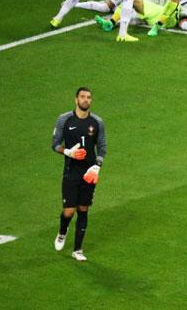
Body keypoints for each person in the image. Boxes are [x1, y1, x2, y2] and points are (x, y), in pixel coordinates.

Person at [51, 87, 107, 261]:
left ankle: (78, 250)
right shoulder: (64, 120)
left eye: (89, 97)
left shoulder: (97, 122)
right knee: (68, 211)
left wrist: (97, 166)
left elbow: (102, 148)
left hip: (89, 173)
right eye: (82, 97)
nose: (86, 100)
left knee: (83, 209)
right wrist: (68, 152)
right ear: (76, 100)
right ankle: (62, 232)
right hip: (71, 172)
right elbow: (55, 144)